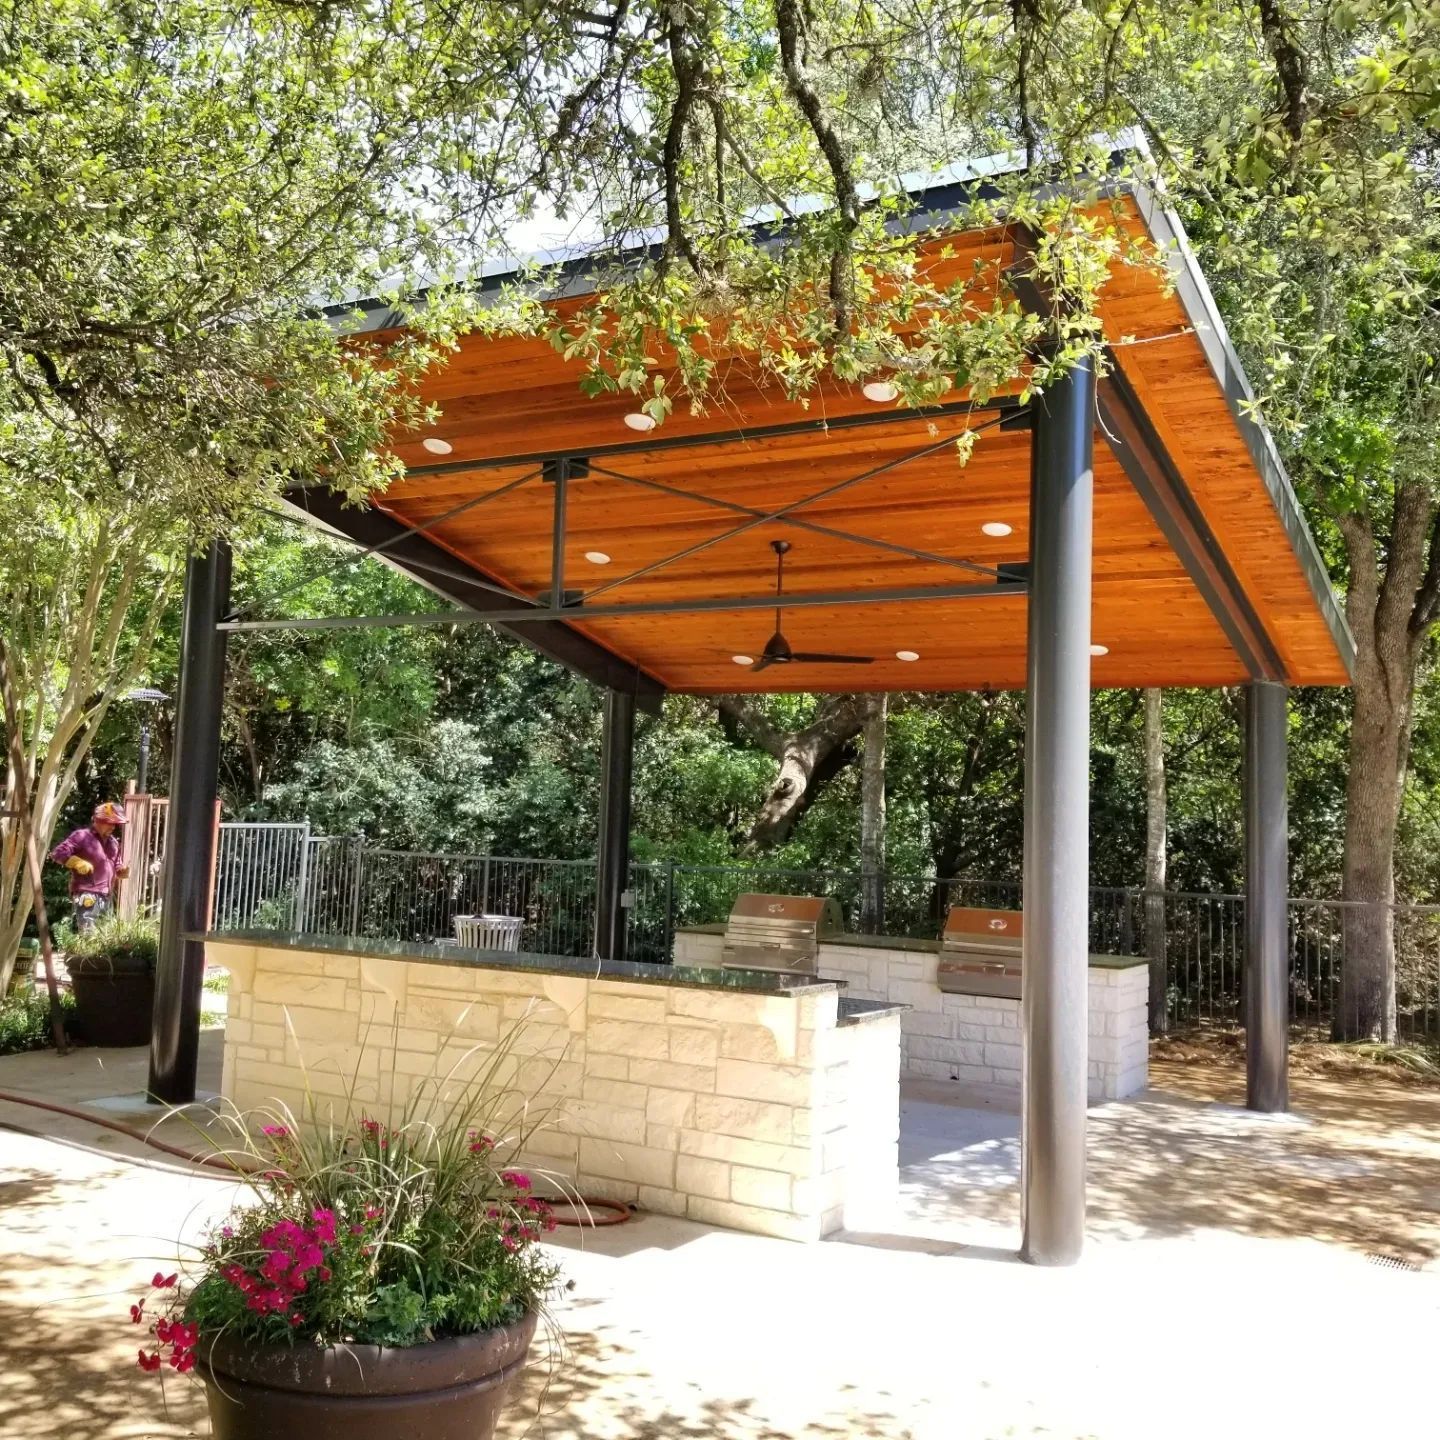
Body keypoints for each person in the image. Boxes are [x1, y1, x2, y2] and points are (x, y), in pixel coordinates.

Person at [50, 802, 130, 933]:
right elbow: (58, 853)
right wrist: (75, 862)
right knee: (89, 936)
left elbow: (117, 864)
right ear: (99, 820)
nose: (113, 827)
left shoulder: (113, 843)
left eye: (115, 824)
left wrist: (122, 871)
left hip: (107, 896)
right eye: (110, 823)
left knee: (105, 937)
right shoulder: (82, 836)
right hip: (87, 894)